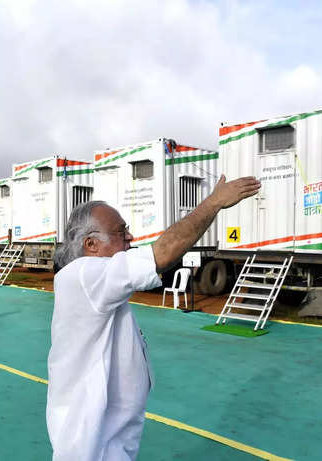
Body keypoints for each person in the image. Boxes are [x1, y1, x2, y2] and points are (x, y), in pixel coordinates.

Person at [46, 175, 261, 461]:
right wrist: (213, 203)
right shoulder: (83, 275)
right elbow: (162, 254)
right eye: (121, 232)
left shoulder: (95, 283)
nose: (130, 238)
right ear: (91, 245)